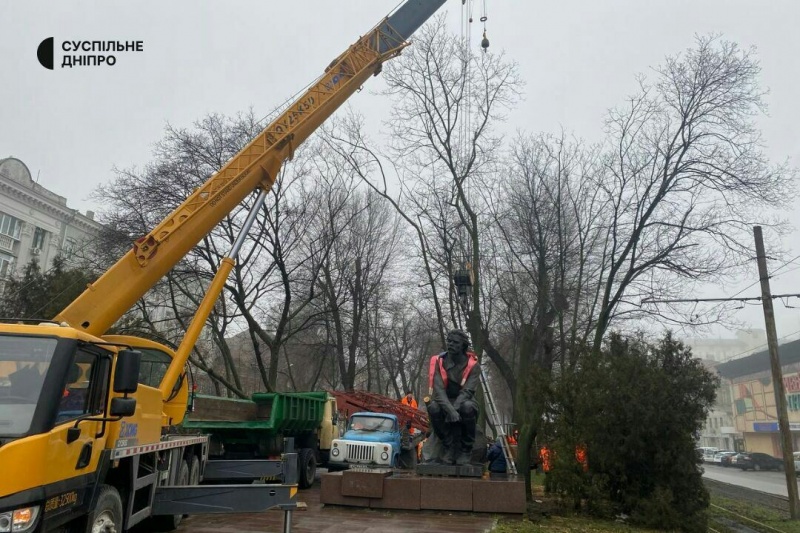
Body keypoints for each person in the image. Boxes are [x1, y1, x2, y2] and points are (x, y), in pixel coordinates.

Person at [425, 329, 479, 465]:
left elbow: (468, 391)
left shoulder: (473, 365)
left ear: (463, 346)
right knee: (433, 408)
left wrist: (454, 409)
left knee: (467, 408)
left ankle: (466, 449)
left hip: (465, 400)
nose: (450, 344)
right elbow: (439, 391)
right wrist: (450, 410)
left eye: (455, 342)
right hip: (445, 401)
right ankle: (448, 446)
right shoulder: (439, 362)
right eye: (449, 341)